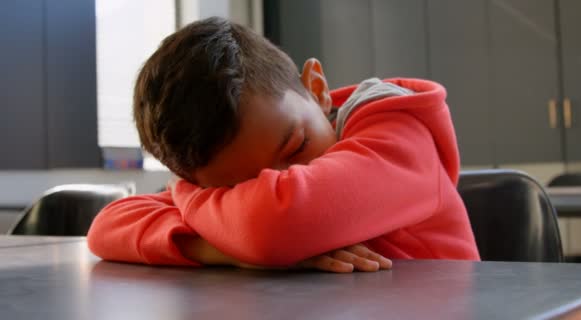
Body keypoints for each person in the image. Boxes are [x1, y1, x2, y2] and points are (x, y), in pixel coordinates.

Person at [87, 17, 480, 272]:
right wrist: (220, 248)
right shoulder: (240, 159)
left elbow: (272, 224)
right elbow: (107, 227)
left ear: (317, 89)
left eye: (295, 148)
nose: (275, 185)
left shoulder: (397, 128)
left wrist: (187, 195)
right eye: (239, 190)